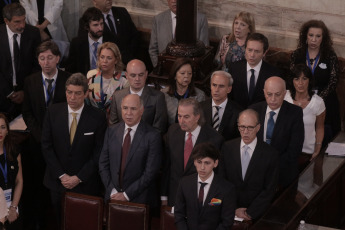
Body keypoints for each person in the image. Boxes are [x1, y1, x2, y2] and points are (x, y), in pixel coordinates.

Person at [41, 73, 107, 226]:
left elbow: (99, 152)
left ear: (85, 94)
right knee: (59, 222)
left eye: (77, 93)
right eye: (69, 92)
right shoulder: (53, 112)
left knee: (82, 224)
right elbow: (46, 146)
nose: (72, 97)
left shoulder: (98, 117)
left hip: (85, 184)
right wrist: (62, 175)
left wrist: (78, 177)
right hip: (57, 183)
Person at [22, 40, 70, 230]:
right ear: (38, 60)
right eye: (42, 58)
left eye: (50, 57)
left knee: (59, 188)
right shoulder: (30, 81)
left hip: (62, 144)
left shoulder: (68, 79)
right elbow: (27, 112)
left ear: (57, 58)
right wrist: (40, 136)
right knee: (38, 187)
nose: (46, 62)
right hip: (38, 143)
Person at [99, 94, 162, 207]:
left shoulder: (153, 136)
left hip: (138, 200)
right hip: (112, 197)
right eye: (125, 108)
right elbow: (103, 164)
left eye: (133, 109)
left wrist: (126, 195)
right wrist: (113, 191)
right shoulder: (111, 131)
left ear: (141, 110)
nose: (128, 113)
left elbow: (150, 173)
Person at [161, 98, 224, 207]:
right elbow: (167, 166)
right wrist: (164, 196)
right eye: (179, 116)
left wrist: (212, 203)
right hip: (174, 197)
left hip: (200, 201)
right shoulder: (172, 131)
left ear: (197, 117)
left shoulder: (214, 139)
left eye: (186, 117)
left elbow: (218, 176)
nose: (181, 121)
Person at [219, 109, 279, 220]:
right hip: (230, 211)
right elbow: (221, 182)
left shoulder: (270, 153)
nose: (245, 132)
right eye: (242, 127)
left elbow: (269, 189)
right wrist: (233, 208)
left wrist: (250, 212)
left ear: (258, 127)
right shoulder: (227, 148)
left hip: (257, 214)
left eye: (250, 127)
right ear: (238, 126)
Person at [290, 20, 340, 142]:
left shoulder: (330, 55)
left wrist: (317, 99)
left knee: (325, 139)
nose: (313, 40)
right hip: (301, 100)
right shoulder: (297, 55)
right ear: (305, 36)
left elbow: (333, 81)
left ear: (323, 38)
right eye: (311, 35)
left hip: (326, 101)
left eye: (318, 36)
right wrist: (306, 99)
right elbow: (291, 77)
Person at [250, 77, 304, 189]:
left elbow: (294, 149)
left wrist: (270, 166)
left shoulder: (295, 113)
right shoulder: (253, 110)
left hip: (284, 173)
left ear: (284, 94)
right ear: (264, 92)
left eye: (277, 94)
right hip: (256, 172)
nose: (273, 99)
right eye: (269, 94)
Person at [174, 143, 236, 230]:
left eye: (207, 163)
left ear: (215, 163)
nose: (202, 167)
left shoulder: (227, 189)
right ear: (194, 162)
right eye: (199, 162)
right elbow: (179, 214)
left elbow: (227, 222)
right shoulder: (184, 183)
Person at [0, 3, 41, 120]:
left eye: (23, 20)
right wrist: (9, 93)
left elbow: (37, 64)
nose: (22, 25)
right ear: (6, 21)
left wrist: (25, 91)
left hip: (27, 95)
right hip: (3, 95)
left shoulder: (33, 33)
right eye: (17, 22)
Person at [109, 59, 168, 134]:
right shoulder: (117, 96)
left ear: (146, 74)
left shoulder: (158, 97)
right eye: (133, 75)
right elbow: (113, 126)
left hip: (147, 143)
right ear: (126, 76)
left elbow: (159, 130)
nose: (137, 79)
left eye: (140, 75)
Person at [285, 64, 325, 170]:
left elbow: (320, 127)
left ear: (309, 80)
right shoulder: (284, 97)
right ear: (292, 81)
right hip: (285, 152)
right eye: (297, 79)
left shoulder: (318, 102)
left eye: (304, 78)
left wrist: (317, 149)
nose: (300, 83)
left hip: (307, 153)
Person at [149, 0, 209, 67]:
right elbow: (153, 50)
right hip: (165, 71)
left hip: (189, 72)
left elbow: (204, 50)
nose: (174, 1)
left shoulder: (200, 19)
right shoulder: (158, 19)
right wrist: (159, 68)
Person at [229, 33, 281, 109]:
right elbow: (229, 97)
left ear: (264, 52)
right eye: (249, 50)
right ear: (245, 49)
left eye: (257, 51)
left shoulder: (273, 73)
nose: (252, 55)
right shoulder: (234, 68)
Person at [65, 7, 118, 75]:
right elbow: (70, 70)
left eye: (101, 24)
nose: (100, 28)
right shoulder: (77, 43)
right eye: (95, 25)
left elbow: (118, 65)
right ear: (87, 27)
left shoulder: (112, 40)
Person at [86, 42, 129, 116]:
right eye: (102, 57)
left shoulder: (124, 79)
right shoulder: (91, 75)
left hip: (114, 121)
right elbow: (86, 101)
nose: (104, 61)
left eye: (109, 58)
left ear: (116, 60)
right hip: (92, 119)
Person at [91, 0, 140, 65]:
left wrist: (129, 57)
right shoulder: (90, 20)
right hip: (105, 65)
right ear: (94, 1)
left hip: (128, 62)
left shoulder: (122, 12)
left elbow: (135, 36)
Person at [161, 58, 205, 125]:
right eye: (182, 73)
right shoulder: (164, 94)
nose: (186, 76)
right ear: (175, 75)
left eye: (189, 73)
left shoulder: (199, 95)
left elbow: (200, 122)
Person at [201, 70, 243, 141]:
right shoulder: (200, 108)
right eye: (214, 85)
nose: (216, 90)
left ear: (229, 89)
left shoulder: (238, 112)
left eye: (221, 86)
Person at [0, 113, 23, 230]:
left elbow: (19, 180)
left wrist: (14, 207)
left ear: (7, 130)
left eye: (3, 127)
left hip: (13, 203)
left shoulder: (13, 150)